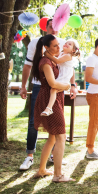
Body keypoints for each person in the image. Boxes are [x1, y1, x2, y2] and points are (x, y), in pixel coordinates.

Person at [19, 19, 77, 171]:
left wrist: (72, 85)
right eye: (51, 26)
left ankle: (49, 160)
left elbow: (68, 68)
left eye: (57, 26)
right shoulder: (37, 46)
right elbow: (28, 66)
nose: (54, 29)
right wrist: (23, 86)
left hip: (57, 86)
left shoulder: (63, 44)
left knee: (55, 129)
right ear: (45, 27)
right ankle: (30, 156)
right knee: (35, 122)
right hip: (44, 86)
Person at [31, 35, 73, 182]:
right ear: (47, 48)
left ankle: (42, 170)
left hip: (54, 99)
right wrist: (68, 86)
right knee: (61, 136)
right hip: (49, 100)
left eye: (58, 45)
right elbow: (53, 84)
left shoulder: (51, 60)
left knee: (52, 137)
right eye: (55, 46)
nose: (59, 47)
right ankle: (58, 175)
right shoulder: (46, 62)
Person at [41, 40, 80, 116]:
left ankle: (49, 108)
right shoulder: (62, 54)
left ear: (73, 50)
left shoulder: (68, 56)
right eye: (66, 43)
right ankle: (49, 109)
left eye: (69, 44)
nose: (66, 44)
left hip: (64, 78)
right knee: (53, 90)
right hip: (62, 76)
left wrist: (47, 55)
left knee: (53, 89)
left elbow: (57, 61)